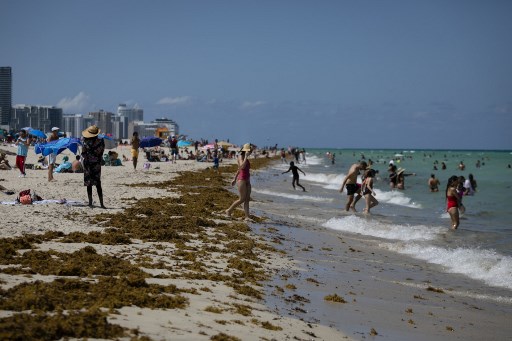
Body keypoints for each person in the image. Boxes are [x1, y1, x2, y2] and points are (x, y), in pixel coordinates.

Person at [225, 143, 253, 221]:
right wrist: (246, 156)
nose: (251, 152)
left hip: (247, 180)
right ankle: (229, 210)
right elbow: (242, 166)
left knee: (247, 199)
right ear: (246, 151)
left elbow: (239, 169)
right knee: (242, 199)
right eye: (250, 151)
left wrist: (234, 178)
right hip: (242, 180)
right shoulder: (241, 157)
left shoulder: (246, 158)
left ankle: (247, 216)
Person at [81, 125, 106, 208]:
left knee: (89, 183)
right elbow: (101, 152)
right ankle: (102, 203)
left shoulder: (85, 141)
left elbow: (83, 153)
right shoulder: (100, 141)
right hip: (97, 164)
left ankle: (90, 202)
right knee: (98, 183)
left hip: (88, 164)